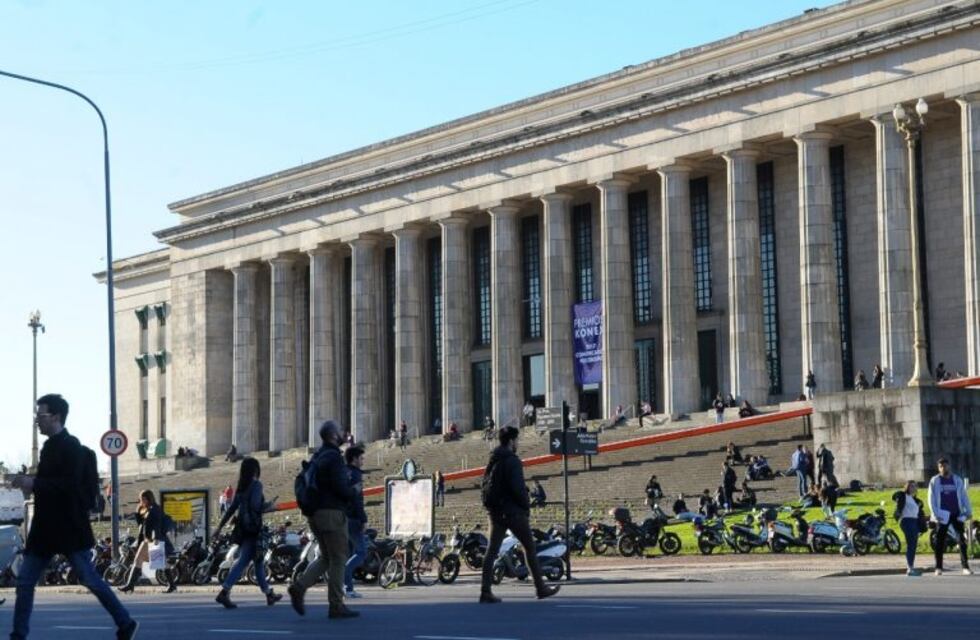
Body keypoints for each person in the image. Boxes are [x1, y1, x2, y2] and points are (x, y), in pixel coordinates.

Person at [10, 393, 139, 640]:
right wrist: (30, 485)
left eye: (41, 415)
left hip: (69, 526)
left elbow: (68, 486)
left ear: (56, 417)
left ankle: (125, 621)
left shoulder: (71, 447)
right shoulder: (49, 447)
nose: (37, 421)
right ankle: (18, 635)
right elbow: (49, 485)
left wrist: (34, 482)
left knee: (90, 578)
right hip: (46, 527)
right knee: (25, 583)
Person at [479, 426, 559, 604]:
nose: (518, 443)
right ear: (511, 441)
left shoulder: (493, 460)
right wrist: (525, 507)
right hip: (513, 512)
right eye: (517, 440)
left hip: (495, 512)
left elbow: (484, 485)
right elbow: (518, 488)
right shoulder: (512, 460)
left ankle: (485, 591)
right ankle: (540, 588)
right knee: (529, 547)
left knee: (491, 551)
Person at [289, 420, 358, 619]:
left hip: (315, 514)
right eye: (340, 430)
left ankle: (299, 587)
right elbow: (341, 488)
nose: (344, 433)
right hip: (331, 514)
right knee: (338, 559)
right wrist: (353, 490)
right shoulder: (334, 457)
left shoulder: (318, 456)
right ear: (332, 436)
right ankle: (336, 605)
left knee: (326, 557)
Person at [214, 457, 282, 608]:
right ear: (255, 470)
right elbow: (256, 506)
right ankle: (224, 592)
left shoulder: (241, 487)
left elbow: (231, 509)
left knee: (258, 561)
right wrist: (270, 506)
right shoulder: (256, 485)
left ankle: (269, 594)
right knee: (245, 560)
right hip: (253, 528)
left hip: (243, 528)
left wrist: (219, 526)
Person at [120, 489, 177, 594]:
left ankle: (130, 585)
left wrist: (155, 538)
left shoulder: (155, 509)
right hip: (147, 539)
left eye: (143, 499)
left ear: (149, 498)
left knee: (154, 561)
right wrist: (137, 512)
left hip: (153, 539)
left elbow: (157, 525)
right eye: (141, 499)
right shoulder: (145, 509)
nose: (142, 501)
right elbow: (141, 525)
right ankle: (130, 585)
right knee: (143, 560)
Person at [927, 457, 973, 576]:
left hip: (956, 514)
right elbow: (931, 499)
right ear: (938, 468)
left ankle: (965, 567)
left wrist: (968, 511)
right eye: (941, 466)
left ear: (949, 466)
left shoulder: (957, 479)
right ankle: (938, 567)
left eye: (945, 465)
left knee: (961, 540)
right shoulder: (935, 480)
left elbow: (963, 496)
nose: (943, 468)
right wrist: (935, 515)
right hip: (942, 515)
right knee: (939, 542)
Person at [343, 445, 367, 600]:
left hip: (343, 517)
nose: (363, 460)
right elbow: (357, 499)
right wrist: (363, 519)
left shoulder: (343, 472)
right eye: (361, 458)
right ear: (354, 459)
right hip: (353, 518)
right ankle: (347, 584)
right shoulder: (356, 475)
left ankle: (347, 587)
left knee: (350, 553)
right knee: (361, 552)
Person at [893, 480, 926, 576]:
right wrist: (899, 496)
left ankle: (911, 567)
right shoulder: (903, 496)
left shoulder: (916, 500)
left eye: (915, 486)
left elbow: (919, 513)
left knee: (913, 545)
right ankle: (910, 568)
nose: (914, 488)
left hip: (914, 522)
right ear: (907, 487)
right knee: (911, 544)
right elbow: (895, 497)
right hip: (906, 521)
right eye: (912, 486)